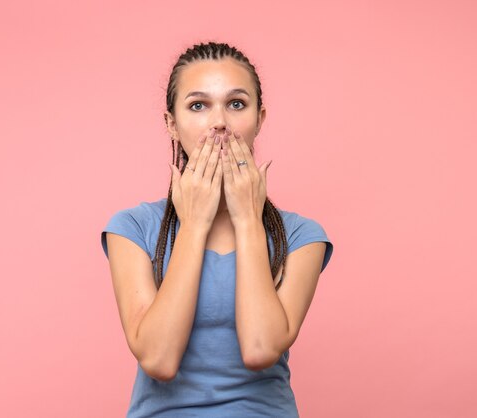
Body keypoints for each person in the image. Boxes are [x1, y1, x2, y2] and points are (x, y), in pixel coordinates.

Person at [100, 41, 334, 417]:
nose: (219, 121)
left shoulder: (301, 236)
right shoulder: (132, 228)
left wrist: (246, 221)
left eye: (237, 104)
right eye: (198, 105)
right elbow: (158, 359)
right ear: (171, 124)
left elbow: (260, 349)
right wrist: (194, 224)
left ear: (260, 118)